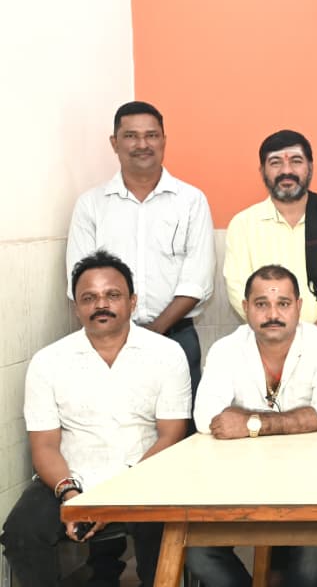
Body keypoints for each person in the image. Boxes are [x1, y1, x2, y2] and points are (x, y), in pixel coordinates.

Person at [1, 251, 191, 587]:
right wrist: (71, 495)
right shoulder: (48, 362)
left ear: (132, 302)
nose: (101, 304)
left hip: (144, 476)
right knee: (21, 534)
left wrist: (117, 498)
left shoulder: (166, 354)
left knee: (166, 535)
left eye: (112, 295)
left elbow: (171, 436)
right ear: (76, 307)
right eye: (89, 298)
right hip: (70, 479)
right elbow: (44, 446)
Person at [185, 265, 317, 587]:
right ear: (245, 307)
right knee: (199, 553)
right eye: (262, 304)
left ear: (298, 307)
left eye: (283, 304)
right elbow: (206, 417)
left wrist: (251, 423)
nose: (273, 314)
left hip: (311, 483)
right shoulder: (226, 349)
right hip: (239, 482)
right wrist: (295, 421)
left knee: (311, 562)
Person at [66, 100, 215, 394]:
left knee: (182, 421)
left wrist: (153, 333)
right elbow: (79, 281)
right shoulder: (91, 204)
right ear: (115, 143)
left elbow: (197, 282)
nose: (142, 144)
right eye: (131, 136)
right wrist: (121, 336)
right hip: (107, 340)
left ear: (163, 140)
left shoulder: (191, 201)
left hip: (177, 337)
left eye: (151, 135)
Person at [223, 129, 317, 343]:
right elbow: (238, 288)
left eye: (296, 161)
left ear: (310, 167)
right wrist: (275, 328)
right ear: (262, 171)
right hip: (266, 342)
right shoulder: (243, 225)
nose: (286, 170)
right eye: (275, 163)